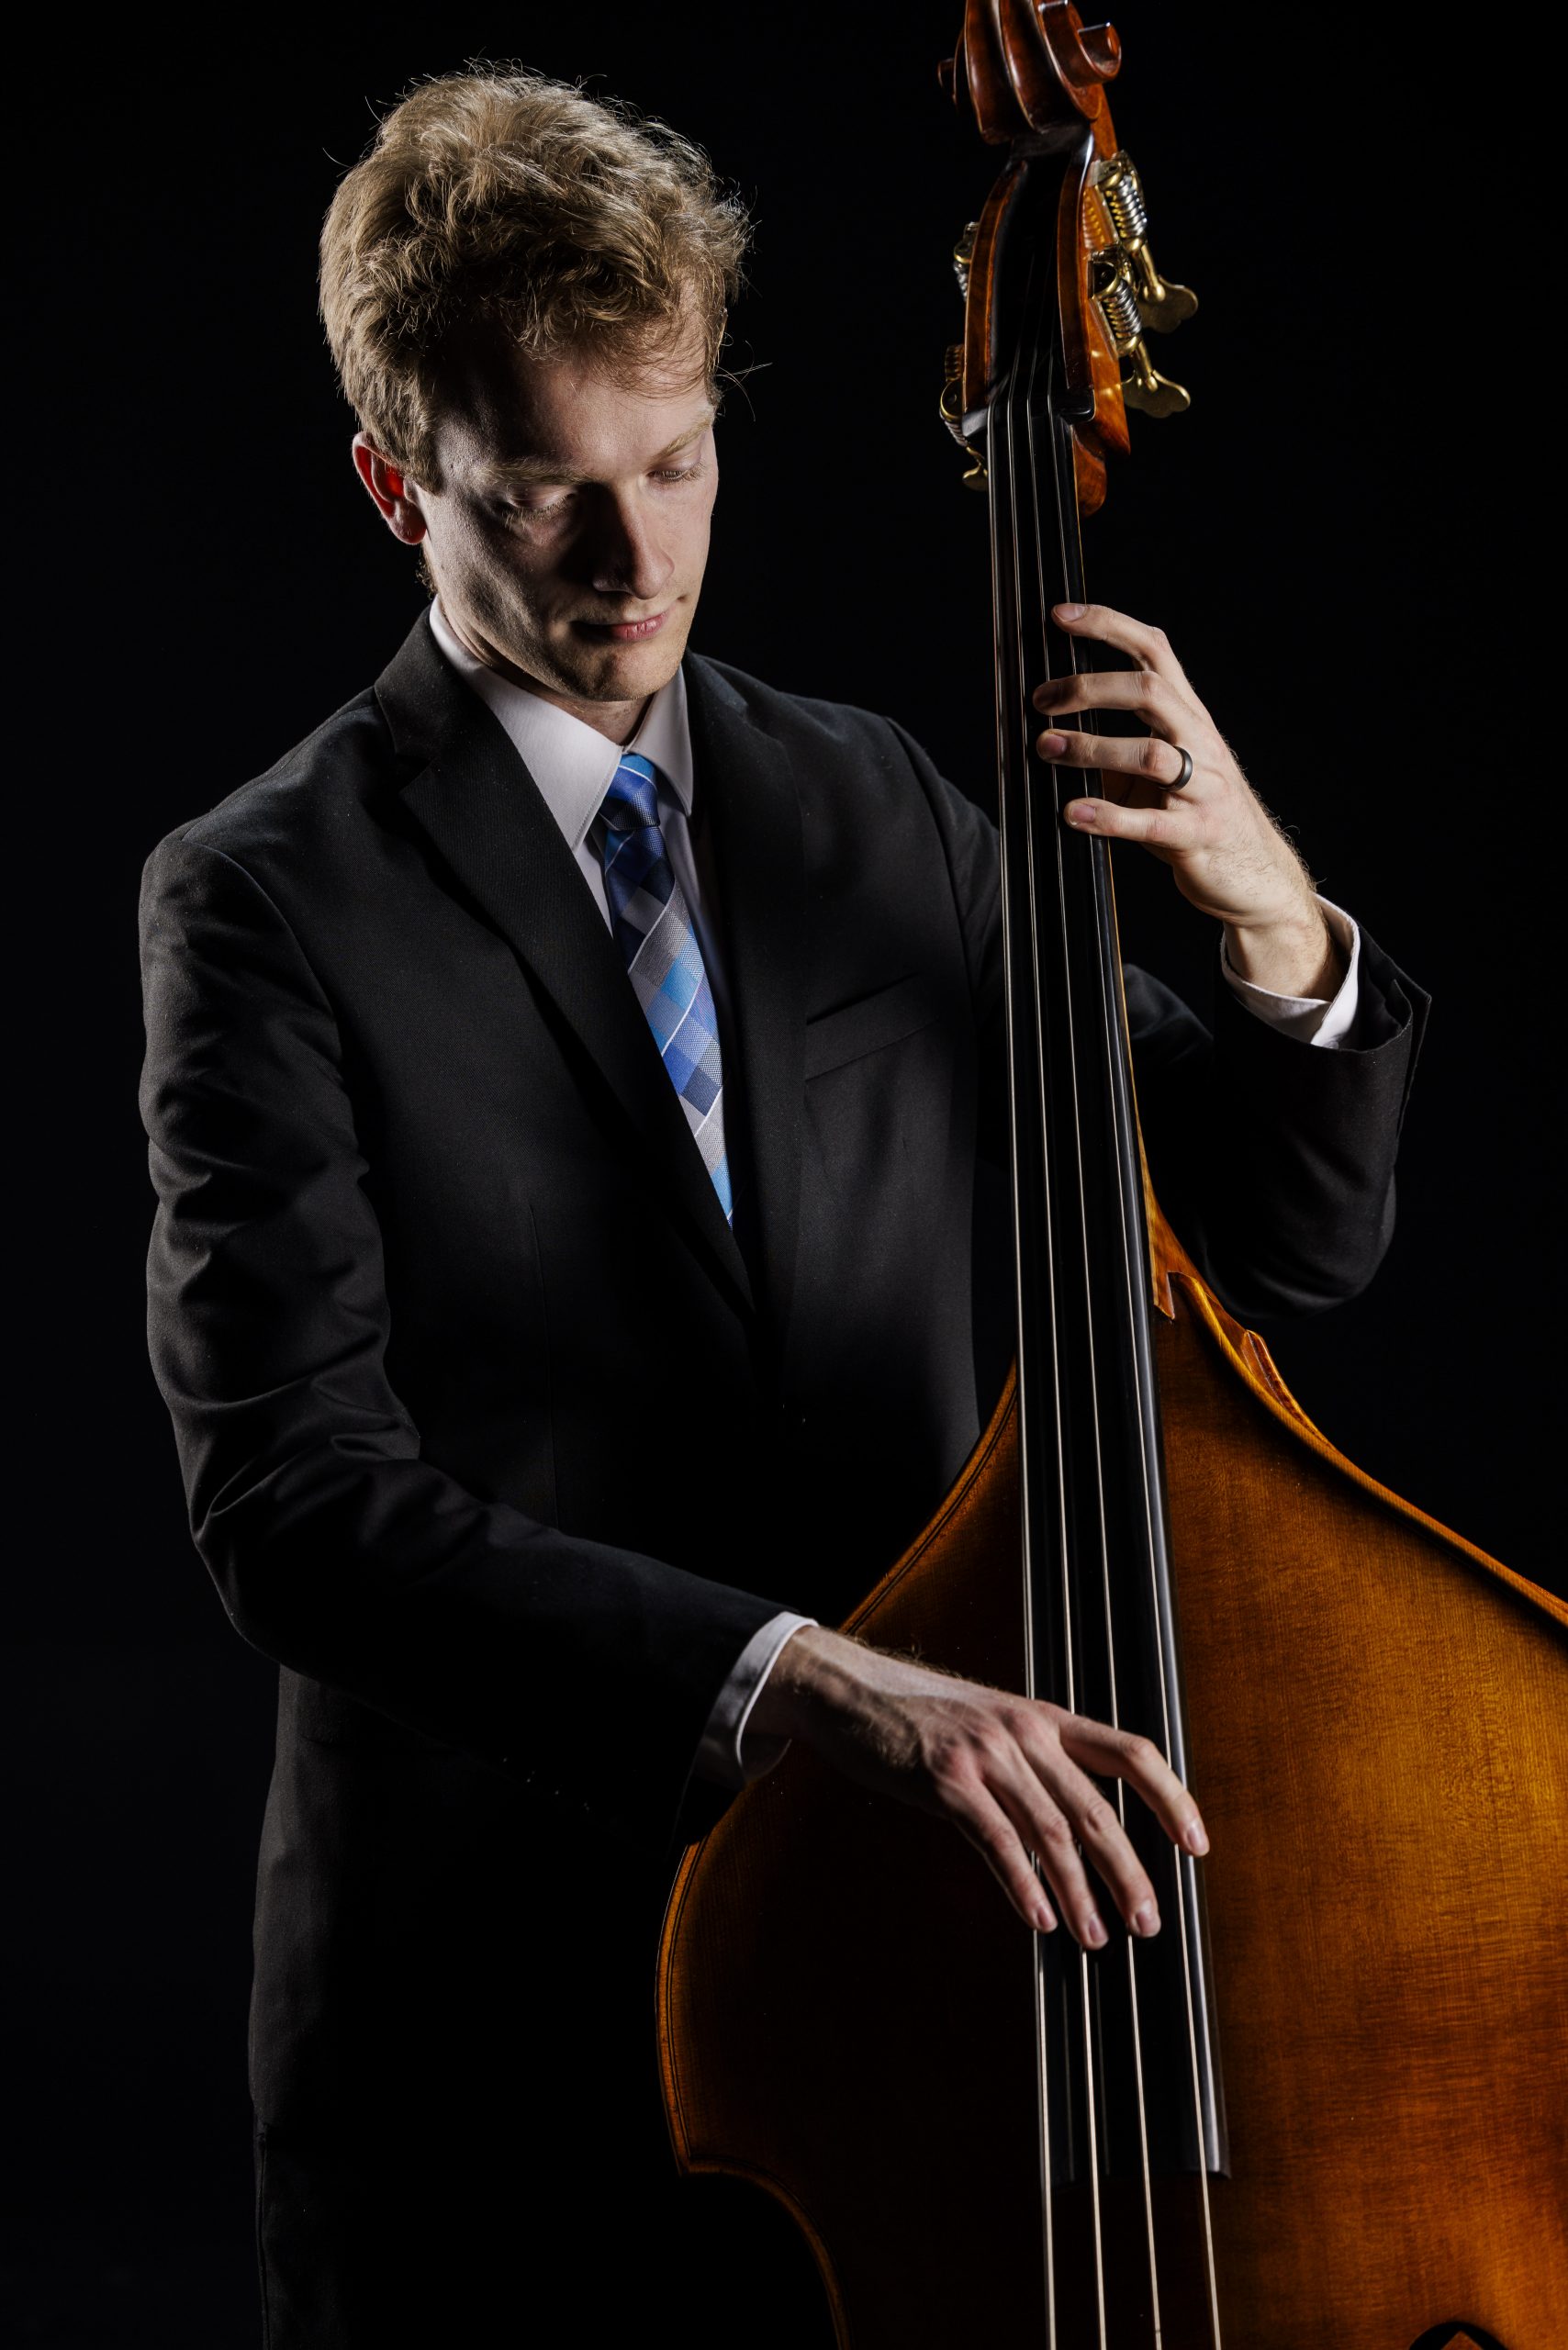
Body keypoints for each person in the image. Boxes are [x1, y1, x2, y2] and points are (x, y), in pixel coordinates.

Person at [139, 70, 1425, 2347]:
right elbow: (290, 1498)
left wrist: (1269, 925)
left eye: (676, 468)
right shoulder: (261, 900)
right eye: (542, 500)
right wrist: (799, 1678)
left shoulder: (873, 803)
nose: (635, 566)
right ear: (392, 485)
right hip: (499, 2041)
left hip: (917, 1987)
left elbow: (1266, 1245)